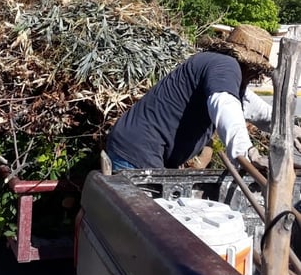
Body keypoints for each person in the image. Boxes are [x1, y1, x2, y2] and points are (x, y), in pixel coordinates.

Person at [106, 24, 301, 173]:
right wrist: (246, 152)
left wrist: (291, 129)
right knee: (149, 222)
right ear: (249, 65)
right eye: (255, 71)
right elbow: (225, 104)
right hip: (137, 153)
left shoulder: (215, 66)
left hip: (138, 149)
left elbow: (251, 106)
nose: (254, 77)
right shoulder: (226, 66)